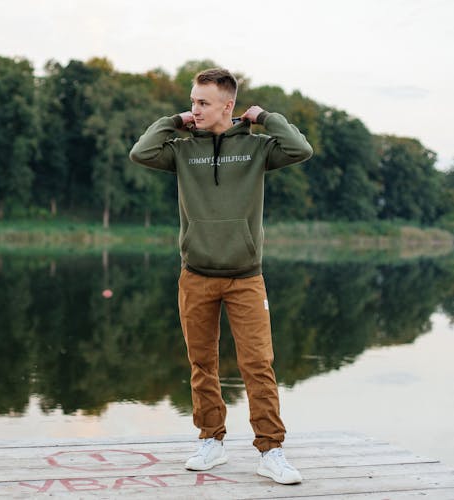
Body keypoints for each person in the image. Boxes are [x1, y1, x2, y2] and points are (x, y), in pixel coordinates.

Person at [129, 68, 312, 485]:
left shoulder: (256, 148)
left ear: (228, 106)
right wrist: (173, 122)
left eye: (203, 102)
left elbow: (300, 149)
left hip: (246, 276)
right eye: (193, 100)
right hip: (195, 275)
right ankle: (211, 441)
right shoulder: (181, 149)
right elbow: (140, 153)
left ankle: (271, 450)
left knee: (258, 365)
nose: (195, 108)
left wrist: (264, 117)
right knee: (202, 363)